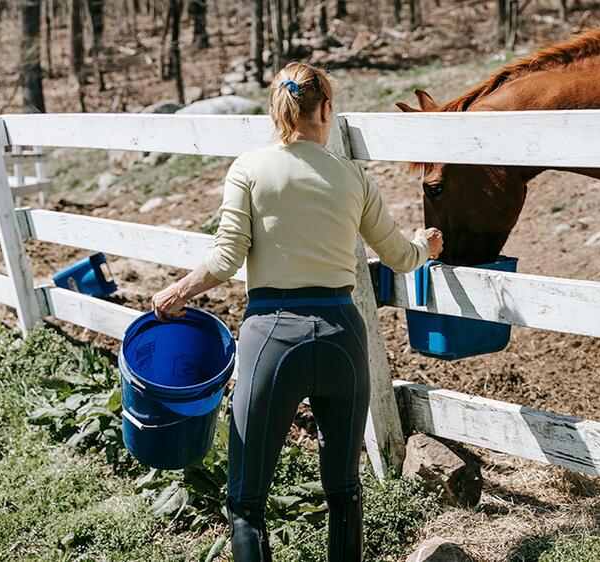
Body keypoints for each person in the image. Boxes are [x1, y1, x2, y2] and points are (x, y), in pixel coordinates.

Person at [151, 62, 443, 562]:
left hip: (272, 340)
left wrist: (177, 293)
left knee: (245, 501)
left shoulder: (249, 169)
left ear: (274, 109)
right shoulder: (352, 177)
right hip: (342, 341)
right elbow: (397, 257)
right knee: (345, 493)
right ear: (327, 110)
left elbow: (225, 260)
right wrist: (423, 245)